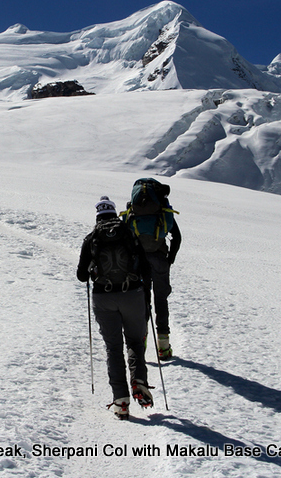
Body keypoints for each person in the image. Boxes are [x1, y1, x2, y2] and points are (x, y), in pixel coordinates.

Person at [77, 196, 153, 420]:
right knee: (135, 342)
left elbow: (82, 276)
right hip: (132, 295)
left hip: (104, 297)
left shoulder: (91, 239)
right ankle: (139, 379)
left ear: (98, 215)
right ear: (114, 213)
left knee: (113, 347)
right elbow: (146, 269)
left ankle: (121, 401)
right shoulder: (129, 234)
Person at [121, 179, 182, 361]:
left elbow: (125, 236)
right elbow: (176, 237)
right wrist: (170, 258)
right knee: (161, 299)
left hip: (139, 261)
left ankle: (141, 341)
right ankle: (163, 346)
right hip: (160, 258)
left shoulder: (133, 212)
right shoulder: (162, 211)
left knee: (142, 300)